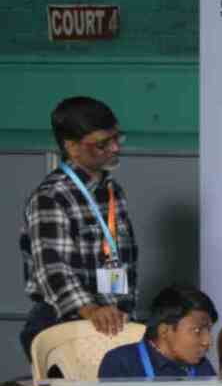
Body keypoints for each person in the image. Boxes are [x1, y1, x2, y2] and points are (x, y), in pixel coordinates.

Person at [19, 97, 139, 359]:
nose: (115, 148)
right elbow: (52, 269)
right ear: (71, 147)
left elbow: (116, 259)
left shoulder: (113, 192)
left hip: (110, 322)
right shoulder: (52, 196)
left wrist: (121, 310)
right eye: (102, 143)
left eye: (117, 138)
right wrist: (91, 310)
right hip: (65, 324)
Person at [98, 286, 218, 379]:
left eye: (209, 330)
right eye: (197, 330)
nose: (207, 341)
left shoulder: (202, 366)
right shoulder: (121, 363)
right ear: (164, 331)